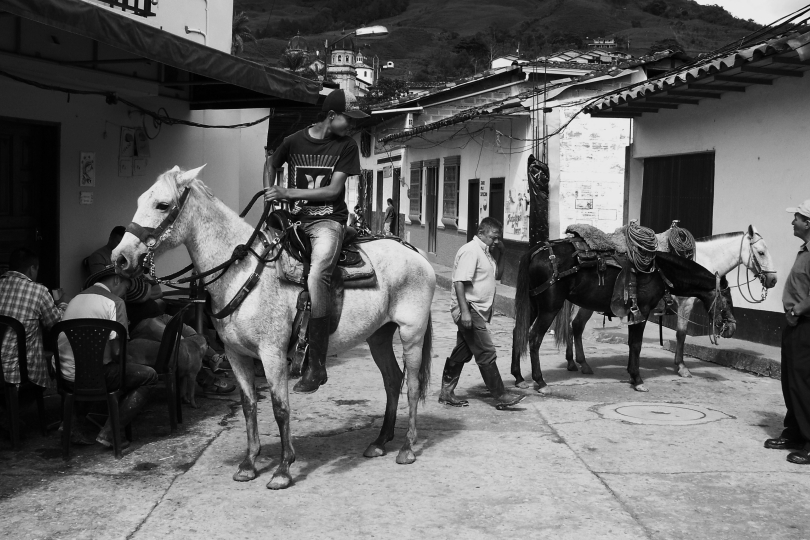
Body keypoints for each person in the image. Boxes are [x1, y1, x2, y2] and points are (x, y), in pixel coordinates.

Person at [263, 88, 367, 394]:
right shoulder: (293, 141)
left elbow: (333, 192)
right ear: (332, 116)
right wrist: (270, 196)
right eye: (349, 118)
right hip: (292, 221)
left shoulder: (347, 146)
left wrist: (287, 193)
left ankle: (317, 365)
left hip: (327, 222)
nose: (352, 125)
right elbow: (271, 163)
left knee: (319, 273)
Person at [88, 227, 234, 396]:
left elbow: (157, 290)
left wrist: (140, 286)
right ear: (113, 240)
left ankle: (214, 359)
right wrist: (142, 287)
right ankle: (208, 380)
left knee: (191, 333)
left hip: (156, 313)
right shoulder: (100, 258)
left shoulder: (131, 260)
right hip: (140, 321)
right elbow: (120, 291)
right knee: (178, 343)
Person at [57, 264, 156, 449]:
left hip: (66, 376)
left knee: (91, 365)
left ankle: (72, 425)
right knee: (148, 376)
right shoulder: (115, 303)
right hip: (94, 378)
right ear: (117, 279)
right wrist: (129, 363)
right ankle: (111, 433)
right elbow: (118, 352)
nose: (125, 294)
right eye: (126, 288)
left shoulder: (75, 299)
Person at [438, 217, 525, 410]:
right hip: (470, 308)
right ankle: (501, 395)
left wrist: (501, 253)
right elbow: (459, 282)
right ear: (481, 233)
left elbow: (497, 276)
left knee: (463, 350)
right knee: (486, 351)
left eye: (498, 238)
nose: (496, 241)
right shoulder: (471, 250)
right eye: (493, 237)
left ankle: (446, 393)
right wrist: (464, 312)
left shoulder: (486, 252)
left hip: (477, 310)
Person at [767, 199, 810, 464]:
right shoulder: (805, 250)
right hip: (795, 325)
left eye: (796, 217)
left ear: (808, 222)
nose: (792, 221)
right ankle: (794, 431)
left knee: (804, 383)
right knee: (791, 381)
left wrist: (799, 310)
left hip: (805, 324)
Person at [0, 248, 68, 389]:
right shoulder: (38, 291)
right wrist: (62, 304)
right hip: (17, 371)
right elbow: (55, 325)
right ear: (32, 269)